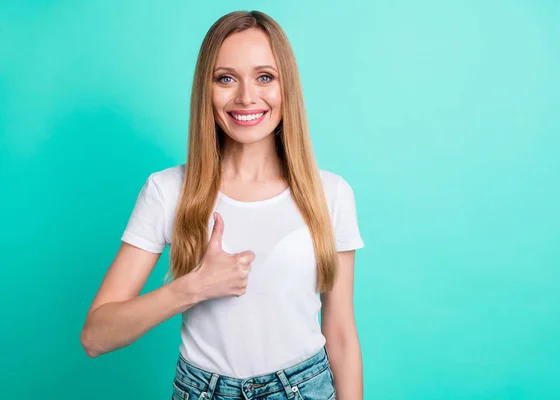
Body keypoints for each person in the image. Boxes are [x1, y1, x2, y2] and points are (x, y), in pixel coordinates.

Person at [80, 10, 365, 400]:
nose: (246, 96)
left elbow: (342, 335)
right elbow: (96, 337)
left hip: (305, 388)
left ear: (287, 88)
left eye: (265, 77)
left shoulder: (330, 193)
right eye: (226, 78)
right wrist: (192, 288)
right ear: (206, 89)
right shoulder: (167, 191)